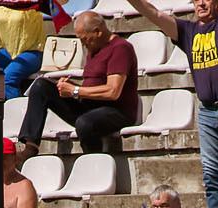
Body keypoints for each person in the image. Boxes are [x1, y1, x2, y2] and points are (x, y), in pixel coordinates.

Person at [127, 0, 218, 208]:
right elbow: (155, 14)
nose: (201, 3)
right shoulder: (188, 30)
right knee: (212, 176)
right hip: (208, 112)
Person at [15, 10, 138, 157]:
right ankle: (31, 147)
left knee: (85, 123)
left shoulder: (120, 48)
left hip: (116, 112)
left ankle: (94, 161)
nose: (83, 44)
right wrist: (68, 87)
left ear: (97, 32)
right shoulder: (95, 49)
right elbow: (92, 86)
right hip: (90, 106)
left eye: (85, 39)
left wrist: (75, 91)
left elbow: (113, 91)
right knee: (41, 86)